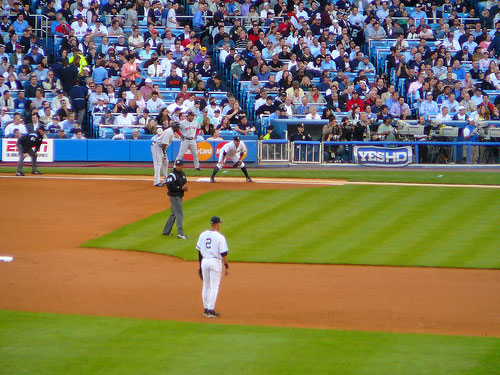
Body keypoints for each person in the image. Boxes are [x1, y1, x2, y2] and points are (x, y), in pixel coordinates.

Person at [196, 216, 229, 318]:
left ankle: (206, 309)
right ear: (218, 224)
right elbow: (224, 253)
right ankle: (210, 310)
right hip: (215, 261)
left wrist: (200, 267)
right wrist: (226, 265)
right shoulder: (220, 237)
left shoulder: (203, 234)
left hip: (204, 261)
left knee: (206, 285)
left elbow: (199, 251)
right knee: (214, 286)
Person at [162, 159, 189, 239]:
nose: (178, 167)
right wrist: (181, 188)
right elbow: (169, 186)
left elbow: (184, 182)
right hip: (174, 196)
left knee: (174, 213)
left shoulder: (182, 174)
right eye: (177, 165)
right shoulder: (172, 175)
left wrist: (183, 188)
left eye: (179, 165)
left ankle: (166, 232)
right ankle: (180, 233)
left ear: (182, 166)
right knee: (179, 213)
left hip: (179, 195)